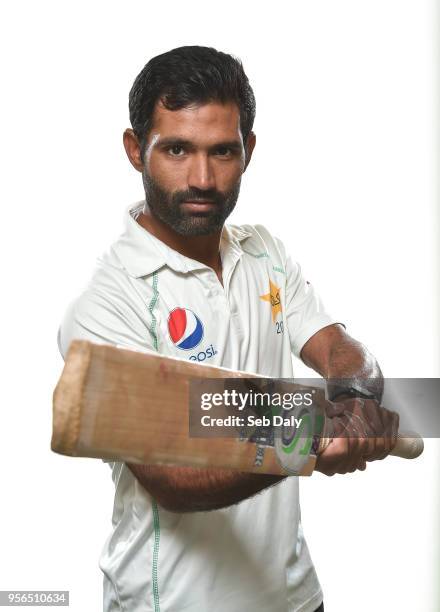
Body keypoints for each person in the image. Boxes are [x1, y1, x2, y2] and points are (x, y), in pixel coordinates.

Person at [57, 46, 399, 612]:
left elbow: (338, 347)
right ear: (134, 150)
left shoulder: (263, 252)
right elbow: (170, 475)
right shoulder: (107, 303)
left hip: (292, 596)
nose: (203, 178)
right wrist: (311, 437)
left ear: (249, 151)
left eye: (223, 152)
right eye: (176, 150)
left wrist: (357, 398)